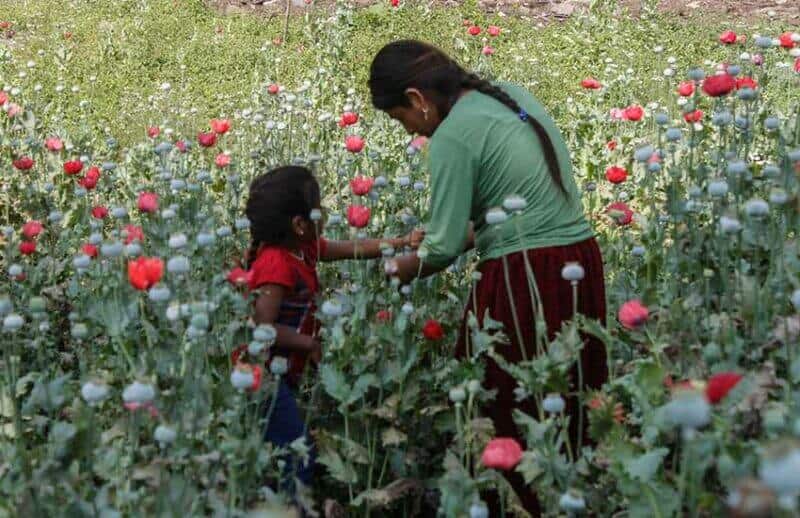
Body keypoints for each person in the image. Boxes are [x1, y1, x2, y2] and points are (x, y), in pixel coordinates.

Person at [369, 40, 608, 514]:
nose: (410, 131)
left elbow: (440, 249)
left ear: (417, 99)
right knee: (569, 401)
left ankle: (516, 506)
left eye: (402, 119)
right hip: (579, 259)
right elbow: (514, 205)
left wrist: (392, 268)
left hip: (529, 274)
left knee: (498, 403)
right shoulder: (507, 94)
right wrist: (450, 233)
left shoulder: (453, 135)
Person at [243, 166, 423, 495]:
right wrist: (308, 342)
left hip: (279, 372)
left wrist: (399, 243)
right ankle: (290, 509)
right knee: (300, 453)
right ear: (299, 224)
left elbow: (351, 249)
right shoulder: (276, 264)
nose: (325, 212)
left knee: (283, 448)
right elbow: (259, 329)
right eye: (319, 208)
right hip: (259, 377)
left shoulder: (302, 248)